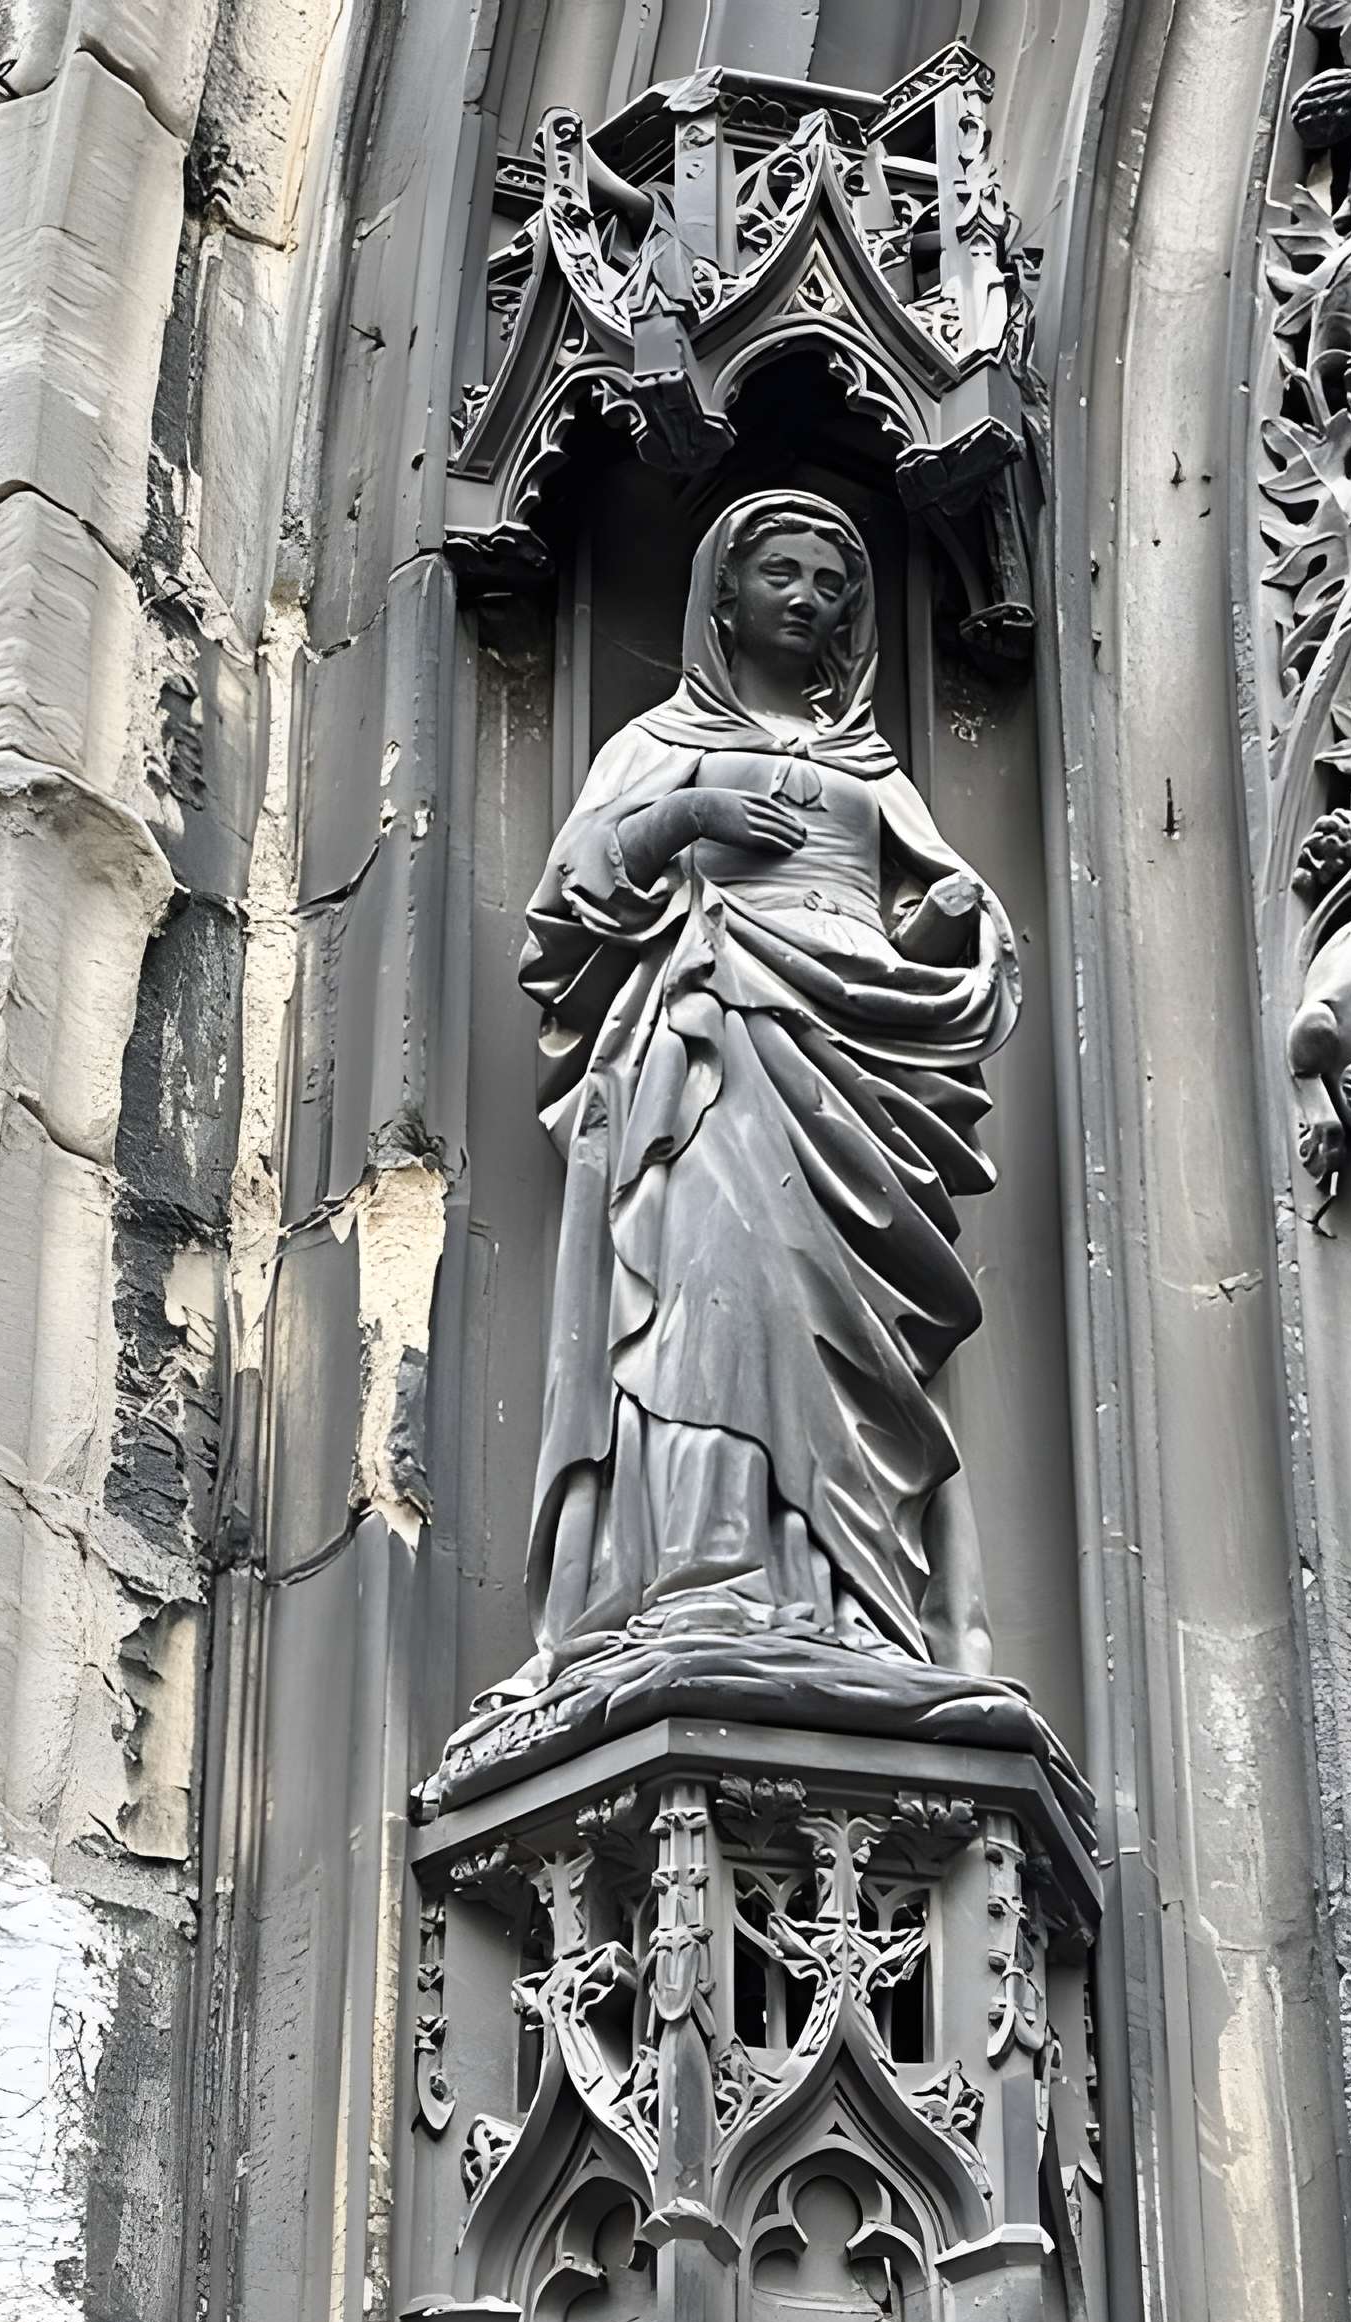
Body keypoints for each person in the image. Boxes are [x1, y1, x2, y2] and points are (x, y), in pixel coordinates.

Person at [515, 490, 1019, 1687]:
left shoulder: (874, 767)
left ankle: (856, 1602)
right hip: (717, 1038)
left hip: (858, 1061)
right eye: (780, 575)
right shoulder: (655, 744)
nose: (807, 600)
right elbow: (565, 906)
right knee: (712, 1286)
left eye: (832, 584)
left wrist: (945, 926)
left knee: (845, 1332)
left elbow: (936, 916)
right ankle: (708, 1570)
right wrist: (683, 813)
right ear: (724, 599)